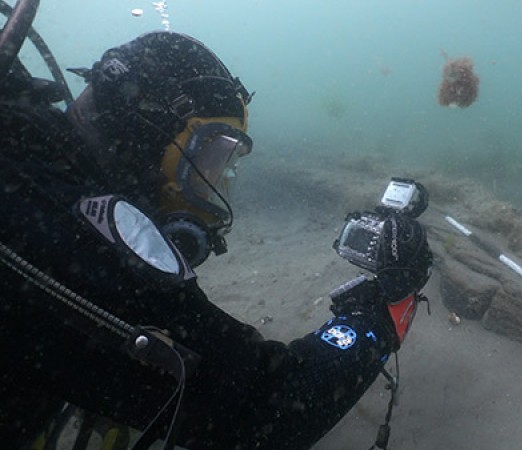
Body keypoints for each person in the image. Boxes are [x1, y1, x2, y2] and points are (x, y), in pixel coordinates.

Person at [0, 3, 433, 449]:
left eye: (226, 166)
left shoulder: (31, 161)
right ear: (145, 126)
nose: (212, 192)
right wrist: (376, 320)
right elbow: (270, 408)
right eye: (208, 156)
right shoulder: (68, 227)